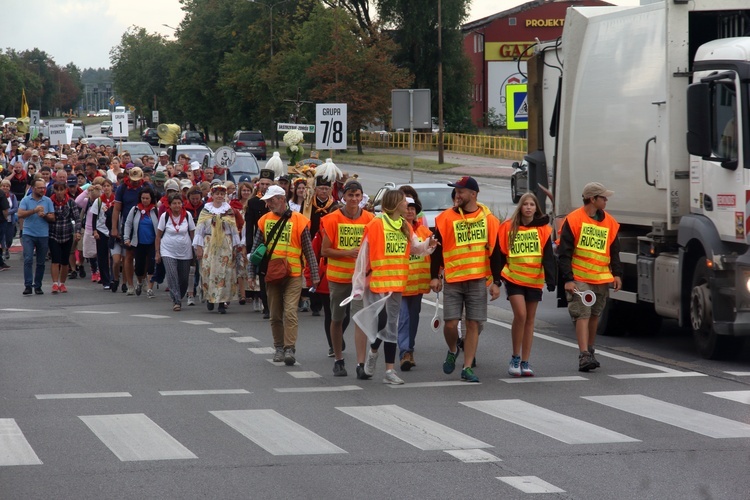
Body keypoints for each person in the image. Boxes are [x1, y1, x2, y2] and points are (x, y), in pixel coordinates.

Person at [352, 189, 437, 384]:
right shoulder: (375, 224)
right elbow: (363, 255)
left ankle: (389, 371)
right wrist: (358, 283)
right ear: (393, 203)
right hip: (377, 283)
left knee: (391, 327)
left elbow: (416, 247)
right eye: (403, 201)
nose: (407, 205)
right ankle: (373, 354)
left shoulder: (405, 226)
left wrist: (429, 244)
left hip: (397, 283)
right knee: (381, 322)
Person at [430, 176, 502, 383]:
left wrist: (497, 282)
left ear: (473, 194)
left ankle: (467, 367)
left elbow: (495, 251)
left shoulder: (489, 219)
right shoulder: (445, 218)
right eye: (456, 191)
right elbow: (437, 250)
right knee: (451, 324)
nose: (457, 194)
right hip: (453, 278)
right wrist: (435, 277)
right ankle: (453, 349)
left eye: (461, 191)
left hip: (478, 280)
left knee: (473, 324)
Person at [248, 185, 320, 366]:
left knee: (290, 312)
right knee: (275, 314)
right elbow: (255, 249)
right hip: (272, 274)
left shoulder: (299, 220)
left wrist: (315, 275)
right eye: (267, 201)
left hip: (294, 274)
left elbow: (308, 250)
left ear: (282, 199)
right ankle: (278, 347)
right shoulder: (264, 221)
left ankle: (289, 349)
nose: (269, 204)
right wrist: (251, 273)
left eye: (271, 200)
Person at [558, 182, 622, 371]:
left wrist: (617, 274)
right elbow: (564, 253)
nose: (606, 200)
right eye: (603, 197)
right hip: (580, 278)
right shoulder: (574, 219)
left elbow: (614, 250)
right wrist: (569, 279)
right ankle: (584, 354)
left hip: (601, 278)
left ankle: (590, 350)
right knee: (583, 315)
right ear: (592, 199)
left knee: (595, 315)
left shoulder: (609, 221)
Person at [498, 192, 556, 377]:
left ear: (536, 208)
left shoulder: (543, 230)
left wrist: (552, 278)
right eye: (525, 204)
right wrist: (496, 279)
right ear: (520, 207)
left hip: (534, 279)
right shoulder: (508, 227)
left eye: (532, 204)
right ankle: (515, 357)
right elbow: (500, 252)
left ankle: (525, 361)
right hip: (514, 278)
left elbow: (547, 256)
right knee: (520, 315)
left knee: (530, 320)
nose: (529, 207)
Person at [319, 180, 374, 376]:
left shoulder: (369, 218)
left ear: (362, 197)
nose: (354, 199)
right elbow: (325, 250)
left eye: (357, 195)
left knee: (360, 319)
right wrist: (347, 252)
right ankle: (338, 359)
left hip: (360, 279)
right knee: (337, 319)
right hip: (339, 278)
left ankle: (360, 364)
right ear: (343, 197)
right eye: (350, 195)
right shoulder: (332, 219)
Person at [193, 183, 242, 314]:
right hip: (210, 243)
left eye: (222, 194)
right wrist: (198, 247)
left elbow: (233, 229)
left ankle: (221, 302)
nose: (219, 196)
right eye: (217, 194)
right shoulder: (206, 211)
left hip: (225, 244)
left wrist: (236, 246)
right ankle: (210, 297)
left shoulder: (229, 211)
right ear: (212, 195)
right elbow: (199, 230)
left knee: (224, 273)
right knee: (209, 270)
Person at [397, 194, 433, 371]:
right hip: (401, 284)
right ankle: (404, 352)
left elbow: (433, 253)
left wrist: (437, 275)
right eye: (407, 207)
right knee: (403, 318)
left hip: (418, 285)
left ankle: (409, 349)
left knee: (414, 319)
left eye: (413, 208)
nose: (410, 211)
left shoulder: (425, 232)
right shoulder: (396, 230)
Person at [156, 193, 196, 311]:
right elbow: (158, 236)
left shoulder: (188, 215)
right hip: (168, 250)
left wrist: (195, 249)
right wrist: (157, 252)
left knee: (183, 279)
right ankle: (176, 300)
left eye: (179, 203)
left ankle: (179, 295)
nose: (177, 205)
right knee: (172, 275)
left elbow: (193, 233)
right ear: (170, 205)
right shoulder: (165, 216)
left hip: (185, 251)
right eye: (174, 203)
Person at [111, 166, 148, 294]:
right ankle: (130, 284)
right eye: (133, 179)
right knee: (129, 255)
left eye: (138, 180)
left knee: (144, 256)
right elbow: (116, 209)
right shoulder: (122, 188)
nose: (135, 182)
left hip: (144, 226)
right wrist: (114, 227)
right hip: (128, 225)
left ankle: (142, 280)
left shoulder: (146, 187)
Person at [245, 169, 274, 318]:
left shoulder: (278, 200)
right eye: (262, 184)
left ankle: (275, 304)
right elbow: (249, 228)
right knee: (262, 275)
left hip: (277, 244)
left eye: (267, 184)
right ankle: (267, 307)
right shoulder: (253, 202)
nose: (264, 186)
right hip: (261, 244)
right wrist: (250, 249)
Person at [123, 187, 159, 298]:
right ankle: (140, 281)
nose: (145, 200)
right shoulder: (135, 210)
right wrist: (126, 238)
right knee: (139, 267)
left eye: (147, 198)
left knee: (152, 266)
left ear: (151, 199)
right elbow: (128, 224)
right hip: (138, 243)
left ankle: (149, 288)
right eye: (143, 198)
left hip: (152, 243)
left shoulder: (155, 210)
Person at [48, 181, 82, 293]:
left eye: (61, 189)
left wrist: (77, 231)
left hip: (67, 234)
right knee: (55, 259)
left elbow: (77, 218)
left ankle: (62, 283)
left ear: (65, 190)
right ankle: (54, 283)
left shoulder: (70, 202)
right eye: (57, 190)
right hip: (53, 234)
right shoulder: (50, 202)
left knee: (64, 261)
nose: (59, 192)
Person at [90, 178, 115, 290]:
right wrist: (94, 231)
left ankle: (114, 278)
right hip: (101, 230)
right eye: (104, 186)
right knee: (102, 256)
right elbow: (94, 217)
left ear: (111, 187)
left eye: (108, 186)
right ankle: (105, 280)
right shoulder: (99, 201)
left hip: (112, 230)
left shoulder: (116, 201)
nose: (106, 188)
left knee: (114, 257)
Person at [0, 179, 17, 262]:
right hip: (2, 220)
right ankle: (3, 251)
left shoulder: (12, 196)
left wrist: (7, 212)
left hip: (10, 220)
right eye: (3, 186)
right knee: (2, 237)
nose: (5, 187)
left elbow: (15, 208)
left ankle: (7, 248)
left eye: (7, 186)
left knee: (9, 238)